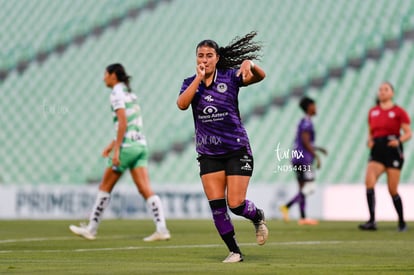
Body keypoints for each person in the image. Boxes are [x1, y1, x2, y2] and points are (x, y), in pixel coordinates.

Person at [177, 31, 268, 263]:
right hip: (208, 153)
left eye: (208, 55)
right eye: (200, 56)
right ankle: (235, 251)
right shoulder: (190, 83)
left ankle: (257, 217)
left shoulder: (229, 77)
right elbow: (181, 104)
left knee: (235, 204)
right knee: (217, 207)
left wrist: (251, 64)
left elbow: (260, 77)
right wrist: (199, 79)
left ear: (217, 58)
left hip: (237, 150)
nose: (204, 60)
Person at [70, 63, 170, 241]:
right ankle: (162, 229)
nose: (103, 78)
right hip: (140, 145)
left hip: (126, 148)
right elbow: (130, 124)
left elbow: (123, 123)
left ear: (113, 76)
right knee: (145, 189)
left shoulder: (116, 93)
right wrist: (111, 144)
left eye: (105, 74)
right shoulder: (130, 94)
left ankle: (91, 229)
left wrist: (116, 151)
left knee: (105, 187)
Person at [359, 82, 411, 232]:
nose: (382, 92)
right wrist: (369, 140)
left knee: (392, 189)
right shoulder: (372, 112)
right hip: (377, 150)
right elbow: (371, 131)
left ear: (392, 93)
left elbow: (408, 133)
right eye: (380, 89)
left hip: (392, 149)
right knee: (369, 182)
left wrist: (399, 140)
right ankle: (372, 220)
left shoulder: (399, 112)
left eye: (385, 89)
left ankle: (401, 222)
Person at [279, 97, 327, 225]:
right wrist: (316, 156)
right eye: (314, 105)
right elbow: (305, 141)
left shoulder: (302, 121)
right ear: (309, 107)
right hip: (304, 159)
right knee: (309, 187)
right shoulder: (307, 122)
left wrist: (319, 149)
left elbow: (304, 141)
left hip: (297, 157)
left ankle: (303, 217)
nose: (316, 108)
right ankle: (287, 207)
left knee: (303, 188)